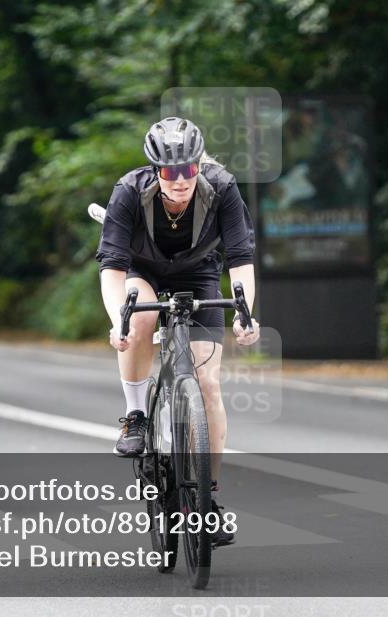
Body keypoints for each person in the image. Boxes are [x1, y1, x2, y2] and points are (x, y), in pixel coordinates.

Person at [95, 117, 261, 547]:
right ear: (155, 170)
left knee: (207, 385)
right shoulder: (129, 191)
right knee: (142, 317)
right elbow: (111, 268)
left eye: (189, 169)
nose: (180, 180)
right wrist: (120, 321)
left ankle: (208, 500)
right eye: (169, 172)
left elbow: (240, 257)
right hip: (142, 271)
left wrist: (245, 312)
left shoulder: (222, 187)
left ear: (198, 165)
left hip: (199, 274)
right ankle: (135, 415)